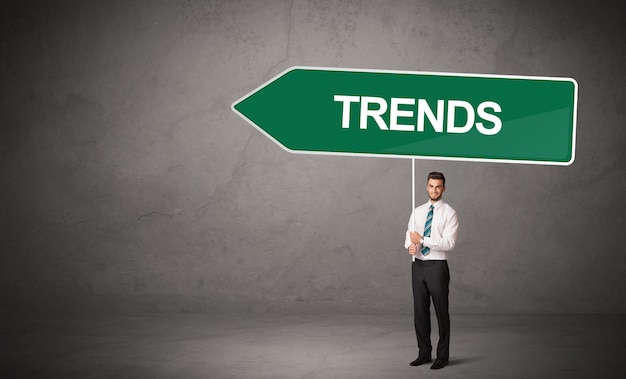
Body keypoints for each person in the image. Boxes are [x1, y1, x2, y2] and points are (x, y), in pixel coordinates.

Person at [404, 171, 459, 370]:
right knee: (420, 312)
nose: (434, 190)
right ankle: (424, 353)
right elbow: (409, 237)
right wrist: (410, 247)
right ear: (426, 186)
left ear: (443, 188)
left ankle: (442, 356)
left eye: (438, 186)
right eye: (431, 186)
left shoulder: (449, 213)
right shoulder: (417, 211)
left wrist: (423, 240)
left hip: (437, 267)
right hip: (418, 266)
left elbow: (449, 243)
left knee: (441, 312)